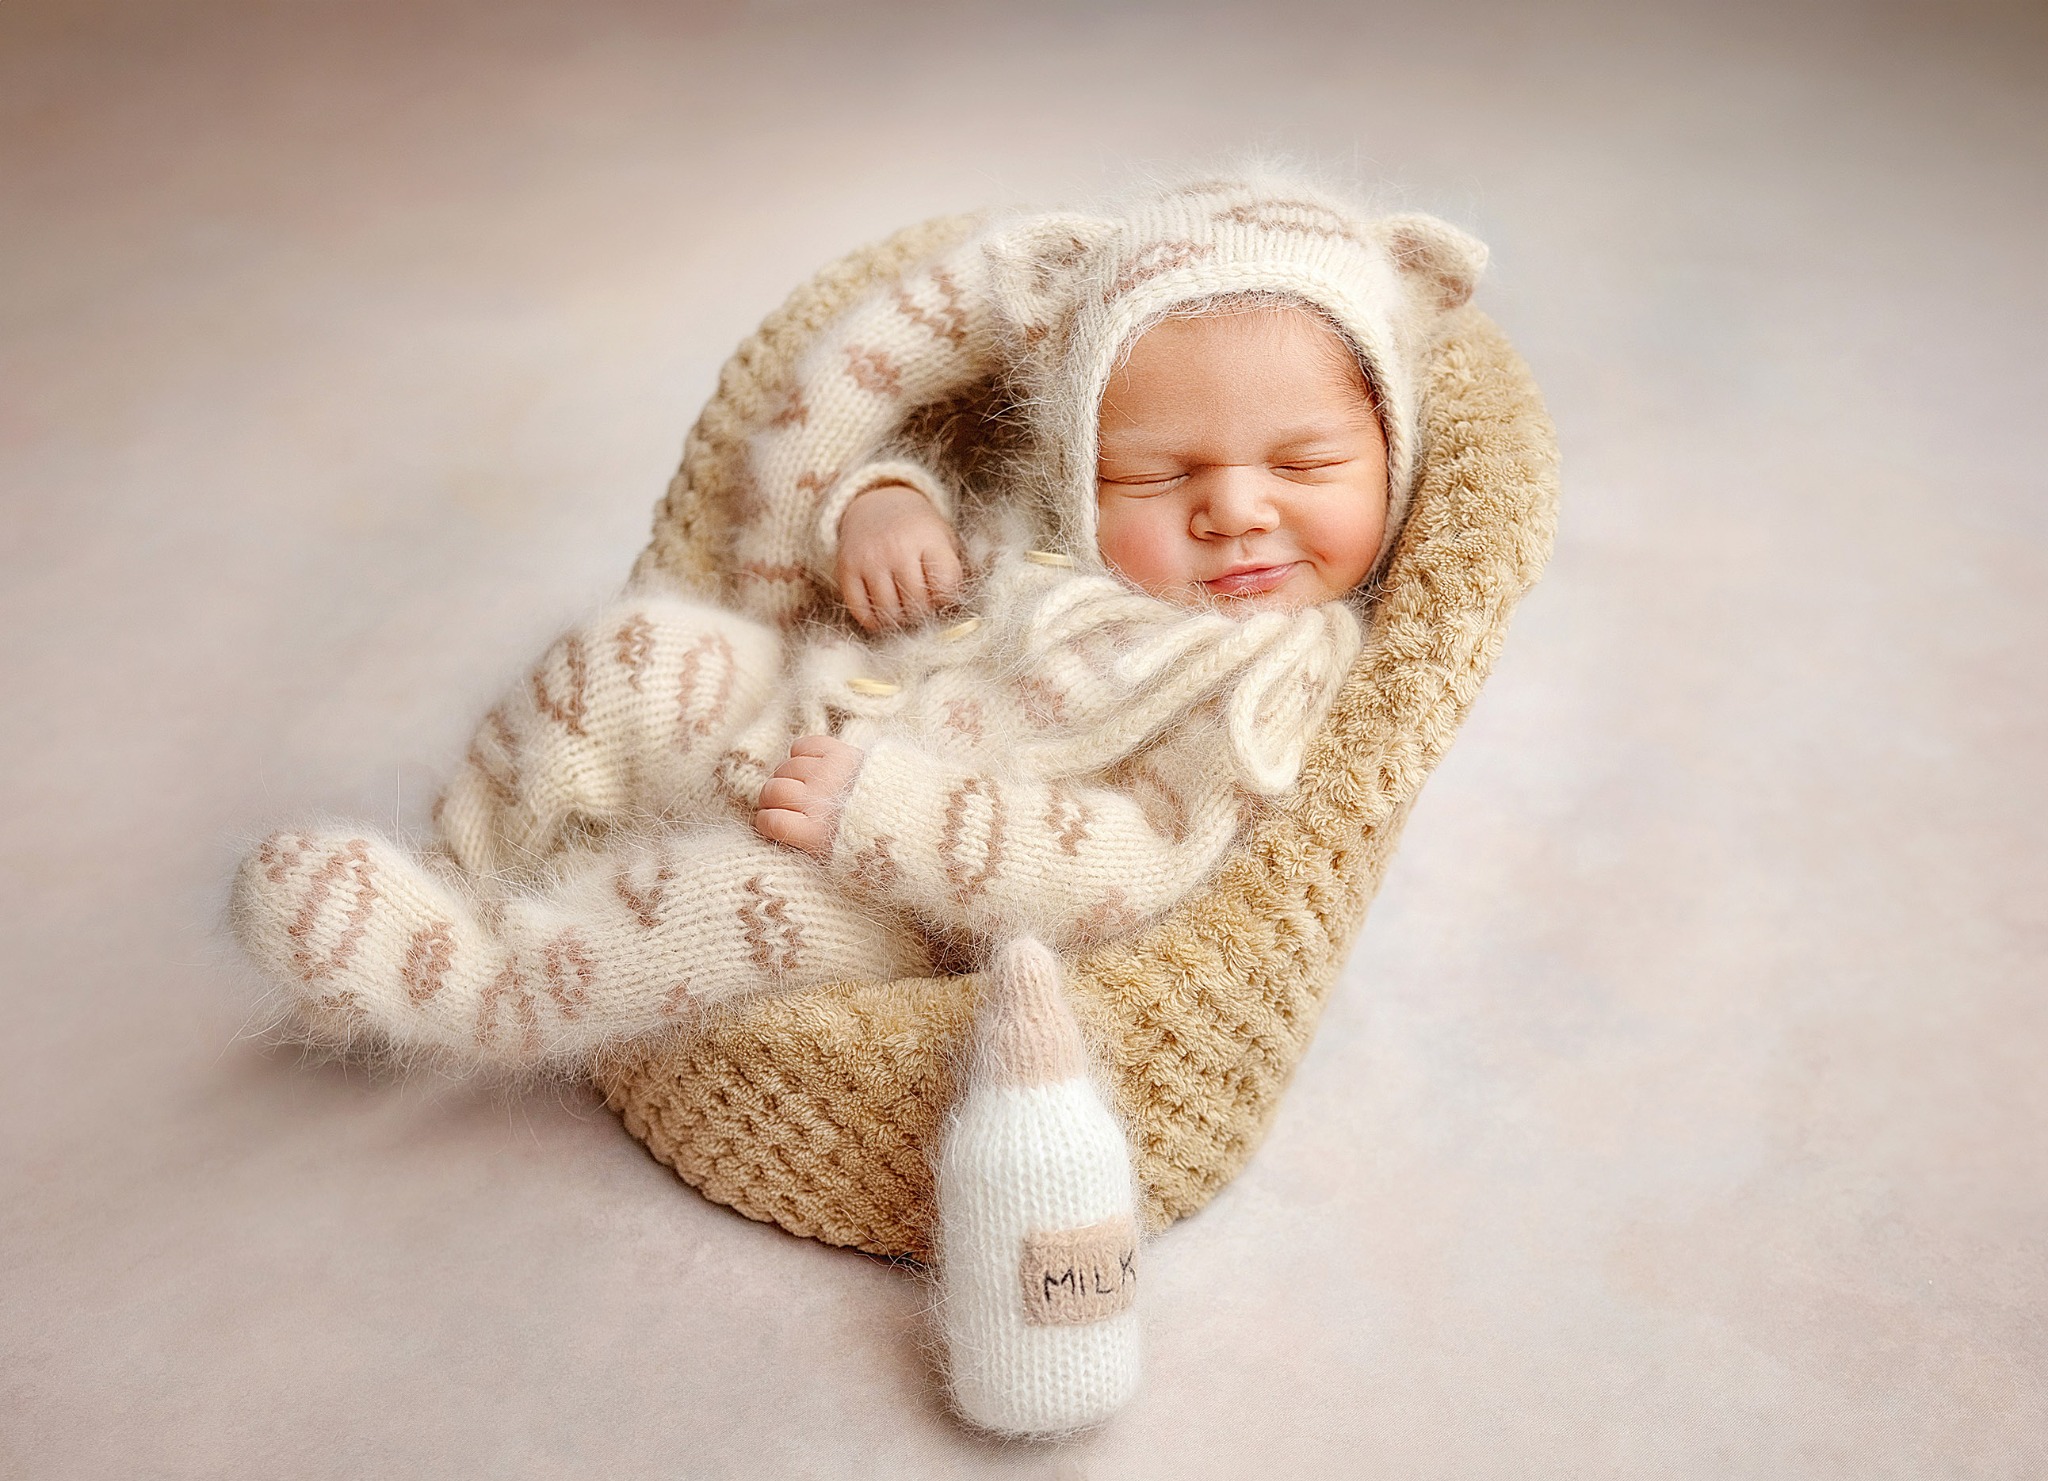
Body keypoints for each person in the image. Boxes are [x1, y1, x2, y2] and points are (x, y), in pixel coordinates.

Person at [229, 174, 1487, 1069]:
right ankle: (460, 868)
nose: (1234, 511)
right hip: (779, 704)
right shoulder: (1060, 523)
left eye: (1304, 464)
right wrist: (882, 504)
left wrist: (889, 815)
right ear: (1084, 465)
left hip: (896, 897)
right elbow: (940, 505)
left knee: (716, 903)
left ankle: (475, 987)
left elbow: (1138, 858)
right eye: (1162, 475)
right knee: (629, 653)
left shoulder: (1267, 675)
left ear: (1390, 453)